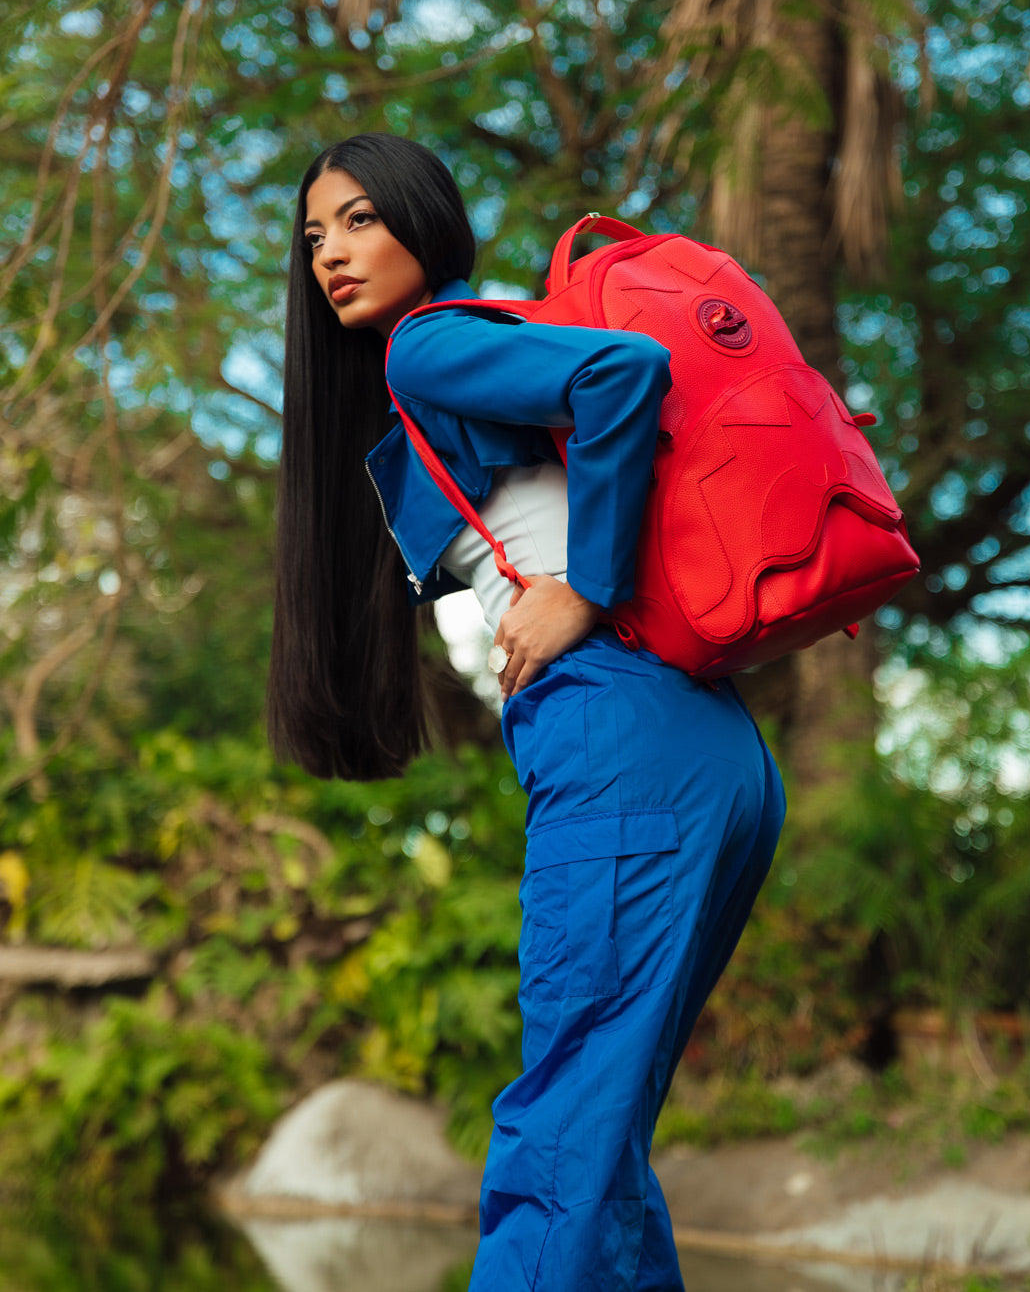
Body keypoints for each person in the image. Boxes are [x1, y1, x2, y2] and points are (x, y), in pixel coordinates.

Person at [267, 132, 786, 1292]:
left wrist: (582, 590)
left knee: (560, 1140)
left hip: (620, 735)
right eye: (314, 237)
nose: (331, 254)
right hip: (708, 751)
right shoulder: (465, 354)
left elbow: (622, 376)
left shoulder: (429, 345)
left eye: (358, 220)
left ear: (420, 221)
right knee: (600, 1142)